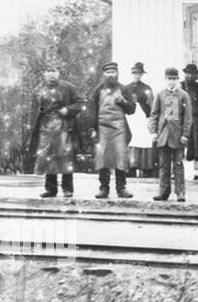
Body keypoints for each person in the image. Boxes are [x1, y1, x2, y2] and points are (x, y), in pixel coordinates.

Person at [29, 62, 81, 199]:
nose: (51, 74)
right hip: (45, 127)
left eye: (54, 71)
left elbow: (80, 103)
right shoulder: (39, 89)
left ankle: (67, 189)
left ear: (59, 73)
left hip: (63, 125)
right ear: (44, 73)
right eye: (48, 70)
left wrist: (68, 110)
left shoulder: (69, 88)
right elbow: (34, 109)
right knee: (47, 157)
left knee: (65, 157)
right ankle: (51, 189)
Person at [89, 61, 135, 200]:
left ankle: (121, 188)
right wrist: (92, 128)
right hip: (102, 128)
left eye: (113, 72)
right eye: (108, 72)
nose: (110, 75)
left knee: (120, 157)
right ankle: (104, 188)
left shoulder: (124, 89)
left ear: (117, 73)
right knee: (103, 158)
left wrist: (123, 102)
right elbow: (92, 110)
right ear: (104, 74)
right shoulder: (98, 90)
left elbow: (132, 109)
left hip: (119, 129)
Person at [149, 67, 193, 202]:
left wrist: (185, 134)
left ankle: (180, 192)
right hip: (163, 135)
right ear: (165, 79)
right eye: (169, 79)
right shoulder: (160, 95)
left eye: (174, 79)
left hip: (177, 136)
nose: (172, 82)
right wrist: (154, 131)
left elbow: (187, 117)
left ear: (178, 80)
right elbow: (154, 114)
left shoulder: (183, 95)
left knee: (178, 164)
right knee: (164, 165)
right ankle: (163, 191)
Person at [126, 62, 157, 178]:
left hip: (144, 118)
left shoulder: (146, 88)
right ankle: (131, 167)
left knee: (144, 141)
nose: (137, 76)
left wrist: (151, 119)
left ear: (142, 74)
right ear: (131, 74)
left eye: (139, 73)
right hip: (131, 118)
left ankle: (146, 168)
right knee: (132, 140)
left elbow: (152, 104)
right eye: (134, 73)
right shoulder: (126, 88)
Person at [181, 64, 198, 165]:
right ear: (185, 74)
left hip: (196, 117)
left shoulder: (197, 87)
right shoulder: (181, 86)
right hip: (184, 119)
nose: (190, 76)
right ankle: (187, 169)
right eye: (189, 73)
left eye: (193, 74)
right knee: (186, 141)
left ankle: (192, 164)